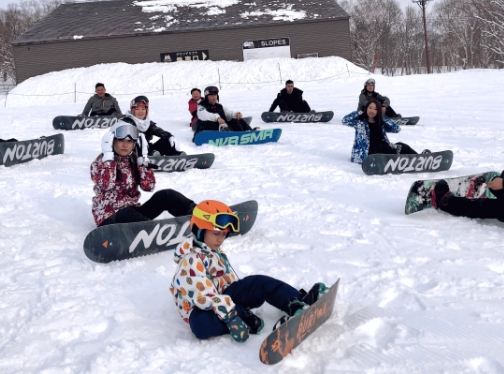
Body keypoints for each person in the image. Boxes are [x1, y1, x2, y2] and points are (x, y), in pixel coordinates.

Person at [170, 200, 329, 342]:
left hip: (224, 298)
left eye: (224, 235)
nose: (220, 239)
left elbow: (230, 282)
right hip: (201, 307)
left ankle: (296, 301)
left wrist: (245, 293)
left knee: (258, 283)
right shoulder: (191, 260)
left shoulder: (213, 251)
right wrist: (232, 315)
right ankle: (241, 316)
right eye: (216, 234)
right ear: (199, 230)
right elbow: (205, 297)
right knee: (200, 326)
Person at [90, 122, 194, 227]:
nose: (125, 144)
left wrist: (142, 161)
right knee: (126, 213)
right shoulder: (100, 162)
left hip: (133, 213)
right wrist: (109, 159)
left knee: (166, 195)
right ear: (112, 141)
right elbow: (107, 185)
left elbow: (148, 186)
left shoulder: (133, 160)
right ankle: (152, 230)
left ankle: (197, 215)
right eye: (121, 140)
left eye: (129, 141)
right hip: (109, 219)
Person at [342, 99, 425, 164]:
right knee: (394, 148)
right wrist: (359, 112)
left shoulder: (380, 123)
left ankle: (421, 159)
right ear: (366, 108)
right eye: (370, 108)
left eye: (375, 109)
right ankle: (415, 160)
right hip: (367, 153)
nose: (372, 111)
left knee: (403, 146)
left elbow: (396, 128)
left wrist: (382, 118)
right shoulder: (359, 122)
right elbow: (345, 120)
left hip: (382, 148)